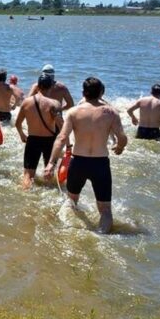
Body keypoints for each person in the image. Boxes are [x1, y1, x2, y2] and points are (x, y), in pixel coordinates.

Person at [46, 77, 127, 233]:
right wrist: (120, 147)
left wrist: (51, 163)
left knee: (71, 200)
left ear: (83, 92)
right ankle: (101, 236)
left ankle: (67, 229)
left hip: (79, 163)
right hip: (100, 164)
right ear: (101, 92)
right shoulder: (111, 112)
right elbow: (122, 138)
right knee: (105, 210)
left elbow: (62, 138)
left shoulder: (74, 112)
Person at [15, 74, 63, 189]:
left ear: (38, 86)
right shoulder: (55, 104)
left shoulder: (26, 102)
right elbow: (62, 126)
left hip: (33, 141)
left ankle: (25, 196)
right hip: (50, 141)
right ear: (51, 87)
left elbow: (17, 123)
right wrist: (67, 145)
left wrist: (22, 134)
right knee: (49, 173)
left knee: (28, 175)